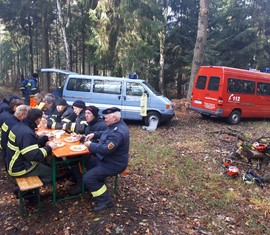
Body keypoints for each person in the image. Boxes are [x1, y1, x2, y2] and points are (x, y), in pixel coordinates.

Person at [83, 107, 129, 212]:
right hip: (106, 159)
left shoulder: (119, 132)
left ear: (114, 118)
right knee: (88, 163)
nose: (105, 120)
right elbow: (105, 133)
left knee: (88, 178)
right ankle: (97, 185)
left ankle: (105, 200)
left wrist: (90, 145)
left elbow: (106, 149)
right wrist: (94, 134)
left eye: (107, 118)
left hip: (114, 163)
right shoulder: (115, 125)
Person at [6, 108, 57, 184]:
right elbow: (34, 156)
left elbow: (29, 144)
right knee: (52, 174)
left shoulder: (20, 126)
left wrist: (45, 139)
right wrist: (49, 147)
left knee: (46, 164)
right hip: (20, 168)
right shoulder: (26, 132)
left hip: (14, 163)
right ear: (38, 120)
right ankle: (26, 191)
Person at [69, 105, 107, 195]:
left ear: (94, 115)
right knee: (72, 157)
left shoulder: (101, 125)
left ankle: (82, 183)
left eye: (89, 113)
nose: (86, 115)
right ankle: (77, 178)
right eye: (85, 113)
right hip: (89, 149)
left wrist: (83, 139)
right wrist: (81, 137)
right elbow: (88, 136)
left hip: (99, 154)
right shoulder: (90, 122)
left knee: (77, 159)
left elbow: (100, 143)